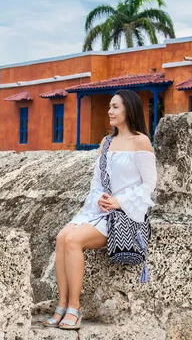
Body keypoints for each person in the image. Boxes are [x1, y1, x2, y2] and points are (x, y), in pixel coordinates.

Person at [43, 89, 157, 330]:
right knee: (62, 237)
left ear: (129, 109)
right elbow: (96, 182)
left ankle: (75, 307)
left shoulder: (140, 141)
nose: (109, 111)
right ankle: (61, 305)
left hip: (124, 214)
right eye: (109, 106)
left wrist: (119, 202)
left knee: (73, 240)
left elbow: (149, 184)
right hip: (98, 208)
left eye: (115, 107)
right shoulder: (106, 142)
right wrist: (99, 200)